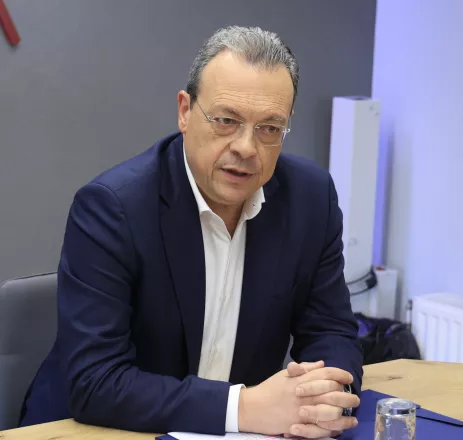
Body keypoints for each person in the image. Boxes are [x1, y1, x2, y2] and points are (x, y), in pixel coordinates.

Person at [19, 26, 363, 439]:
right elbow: (96, 382)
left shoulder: (310, 199)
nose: (246, 147)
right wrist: (243, 407)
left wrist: (328, 396)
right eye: (226, 121)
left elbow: (331, 330)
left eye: (270, 129)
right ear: (185, 111)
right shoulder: (114, 208)